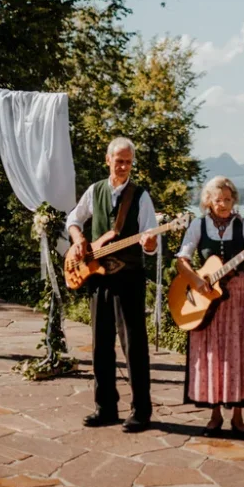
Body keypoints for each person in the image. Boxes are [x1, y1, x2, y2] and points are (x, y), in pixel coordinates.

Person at [67, 137, 157, 433]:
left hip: (129, 278)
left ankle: (141, 411)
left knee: (134, 346)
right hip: (98, 278)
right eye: (119, 160)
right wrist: (80, 240)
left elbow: (149, 241)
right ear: (108, 160)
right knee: (101, 345)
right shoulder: (95, 190)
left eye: (128, 162)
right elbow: (74, 219)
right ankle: (105, 407)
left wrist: (151, 242)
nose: (123, 166)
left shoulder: (140, 196)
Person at [176, 176, 244, 436]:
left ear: (233, 200)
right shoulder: (198, 225)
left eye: (227, 199)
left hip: (238, 296)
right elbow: (182, 259)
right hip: (206, 298)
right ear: (208, 202)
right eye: (218, 200)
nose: (223, 204)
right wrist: (196, 281)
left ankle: (237, 416)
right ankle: (214, 415)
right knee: (211, 352)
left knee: (239, 351)